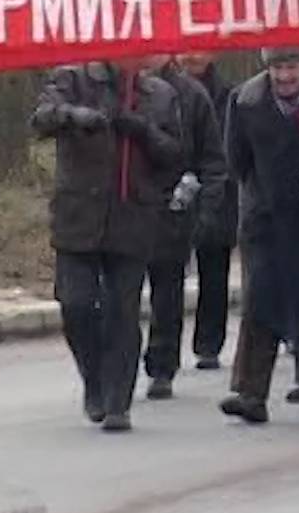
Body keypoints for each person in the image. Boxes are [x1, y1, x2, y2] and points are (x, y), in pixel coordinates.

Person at [31, 58, 186, 432]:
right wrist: (74, 116)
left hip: (132, 216)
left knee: (122, 310)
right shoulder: (71, 79)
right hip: (79, 216)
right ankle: (94, 377)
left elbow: (175, 156)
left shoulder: (160, 95)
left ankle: (118, 399)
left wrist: (144, 132)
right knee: (76, 304)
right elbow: (40, 119)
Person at [221, 48, 299, 424]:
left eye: (291, 67)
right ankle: (250, 392)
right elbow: (236, 159)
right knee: (260, 301)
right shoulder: (246, 100)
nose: (284, 76)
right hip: (266, 215)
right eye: (276, 68)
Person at [140, 56, 228, 401]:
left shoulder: (190, 95)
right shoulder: (109, 89)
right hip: (120, 207)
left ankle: (162, 365)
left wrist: (207, 208)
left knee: (166, 289)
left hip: (172, 204)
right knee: (119, 292)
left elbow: (212, 157)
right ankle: (115, 365)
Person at [177, 51, 238, 367]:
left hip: (218, 187)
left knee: (214, 271)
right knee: (169, 272)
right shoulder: (164, 89)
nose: (194, 56)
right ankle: (165, 351)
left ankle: (209, 344)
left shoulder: (229, 95)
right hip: (172, 187)